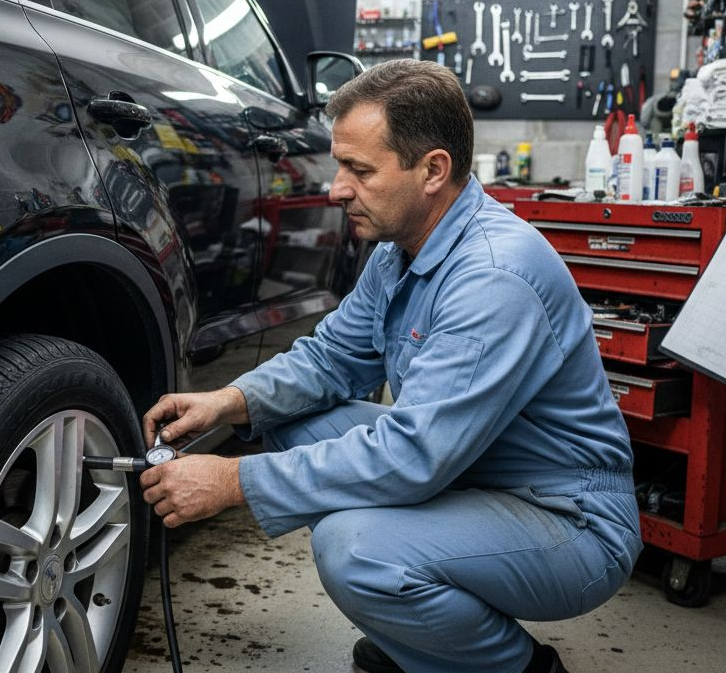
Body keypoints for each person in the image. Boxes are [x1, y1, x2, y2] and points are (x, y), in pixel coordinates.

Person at [138, 59, 642, 673]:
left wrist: (229, 482)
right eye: (338, 165)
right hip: (473, 469)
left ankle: (515, 667)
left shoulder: (492, 276)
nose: (335, 189)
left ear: (433, 170)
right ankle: (425, 631)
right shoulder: (400, 249)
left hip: (568, 522)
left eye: (359, 169)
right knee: (290, 422)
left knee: (356, 552)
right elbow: (330, 358)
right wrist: (228, 401)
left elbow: (412, 456)